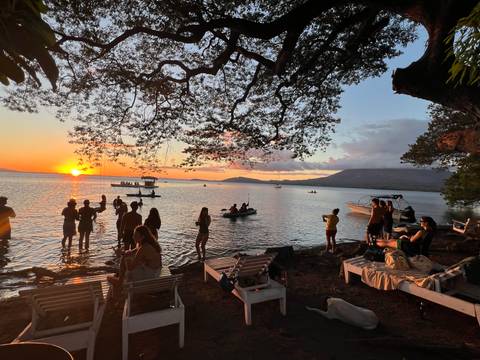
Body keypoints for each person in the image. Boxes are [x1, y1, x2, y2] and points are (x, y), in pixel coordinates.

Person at [107, 225, 162, 293]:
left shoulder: (143, 248)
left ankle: (120, 282)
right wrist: (123, 253)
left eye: (135, 235)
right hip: (155, 274)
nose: (133, 237)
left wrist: (125, 258)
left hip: (148, 277)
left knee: (109, 278)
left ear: (142, 237)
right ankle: (120, 282)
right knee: (125, 259)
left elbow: (130, 267)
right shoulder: (151, 244)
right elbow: (131, 252)